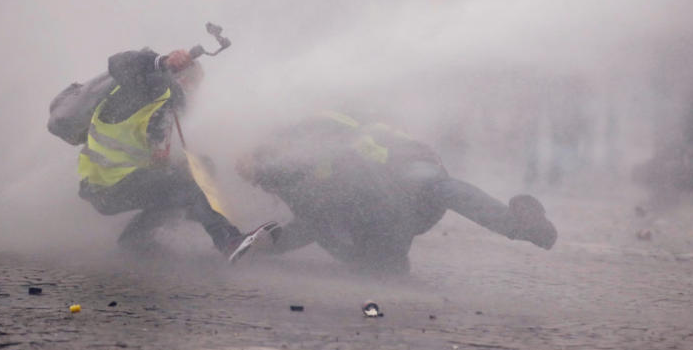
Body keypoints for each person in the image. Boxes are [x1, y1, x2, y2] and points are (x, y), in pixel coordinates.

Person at [236, 111, 558, 273]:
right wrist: (267, 244)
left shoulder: (311, 137)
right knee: (382, 264)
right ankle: (384, 262)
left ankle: (519, 225)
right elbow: (311, 223)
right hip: (390, 212)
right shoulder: (301, 183)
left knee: (432, 187)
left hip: (403, 183)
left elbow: (311, 216)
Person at [76, 46, 260, 260]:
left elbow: (155, 159)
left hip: (113, 183)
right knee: (189, 181)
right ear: (181, 80)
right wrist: (162, 61)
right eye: (194, 85)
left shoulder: (157, 106)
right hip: (109, 185)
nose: (195, 93)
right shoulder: (145, 91)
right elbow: (117, 62)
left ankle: (135, 240)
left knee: (196, 170)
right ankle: (228, 241)